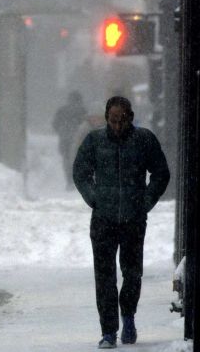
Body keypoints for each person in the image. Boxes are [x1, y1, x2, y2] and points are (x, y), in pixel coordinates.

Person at [73, 96, 170, 348]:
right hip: (103, 220)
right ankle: (108, 331)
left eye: (122, 120)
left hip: (133, 220)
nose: (117, 126)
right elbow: (80, 171)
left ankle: (128, 316)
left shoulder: (144, 140)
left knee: (132, 272)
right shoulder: (95, 141)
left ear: (131, 118)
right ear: (106, 118)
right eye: (113, 120)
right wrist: (94, 197)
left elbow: (161, 173)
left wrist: (145, 201)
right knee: (104, 277)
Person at [53, 91, 87, 190]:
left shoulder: (61, 110)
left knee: (66, 160)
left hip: (65, 139)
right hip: (78, 139)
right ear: (80, 100)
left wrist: (61, 131)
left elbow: (55, 124)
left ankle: (69, 181)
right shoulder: (83, 111)